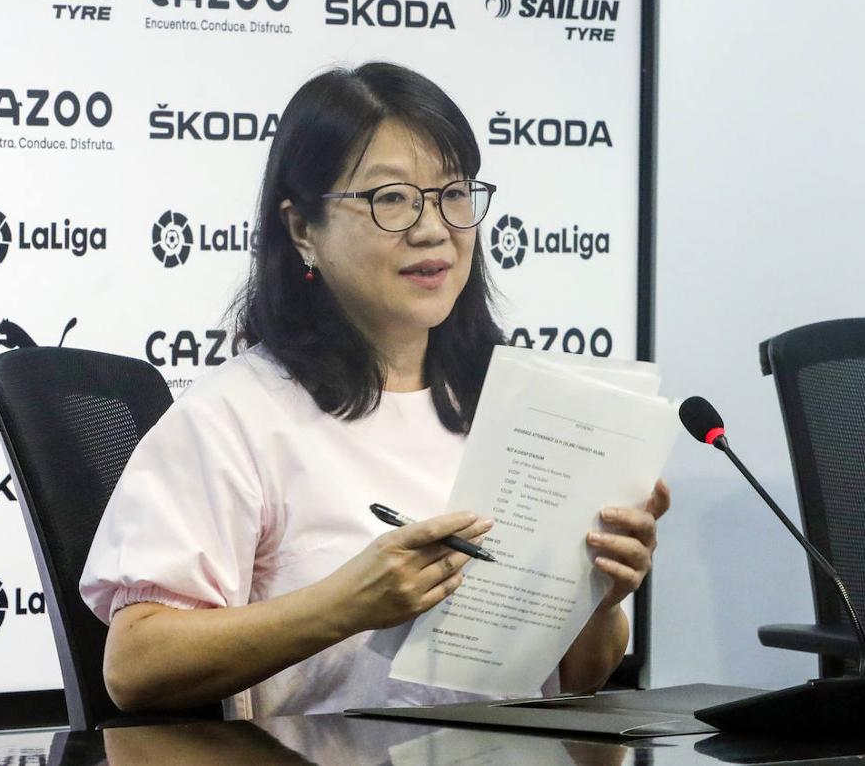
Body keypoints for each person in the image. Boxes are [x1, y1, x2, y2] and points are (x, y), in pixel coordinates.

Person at [79, 61, 671, 720]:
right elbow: (135, 666)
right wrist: (347, 604)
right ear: (303, 230)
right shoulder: (236, 418)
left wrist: (604, 593)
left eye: (453, 194)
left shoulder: (519, 408)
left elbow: (582, 678)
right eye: (390, 199)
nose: (433, 228)